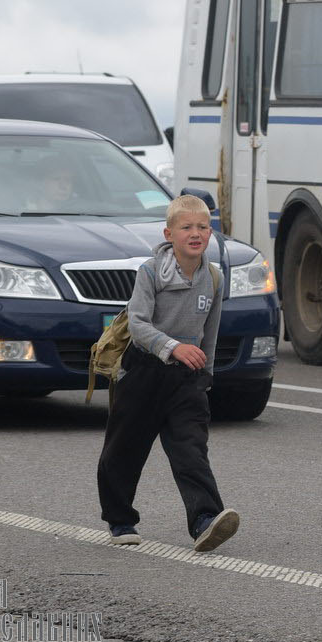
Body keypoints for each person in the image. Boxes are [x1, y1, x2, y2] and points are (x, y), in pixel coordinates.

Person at [96, 193, 240, 552]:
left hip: (185, 380)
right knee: (124, 450)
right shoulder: (149, 272)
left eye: (203, 227)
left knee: (191, 450)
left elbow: (212, 329)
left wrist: (205, 373)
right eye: (186, 227)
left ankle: (206, 520)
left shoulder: (214, 276)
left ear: (211, 233)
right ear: (169, 234)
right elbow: (139, 324)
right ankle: (120, 519)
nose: (196, 233)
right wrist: (172, 346)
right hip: (143, 371)